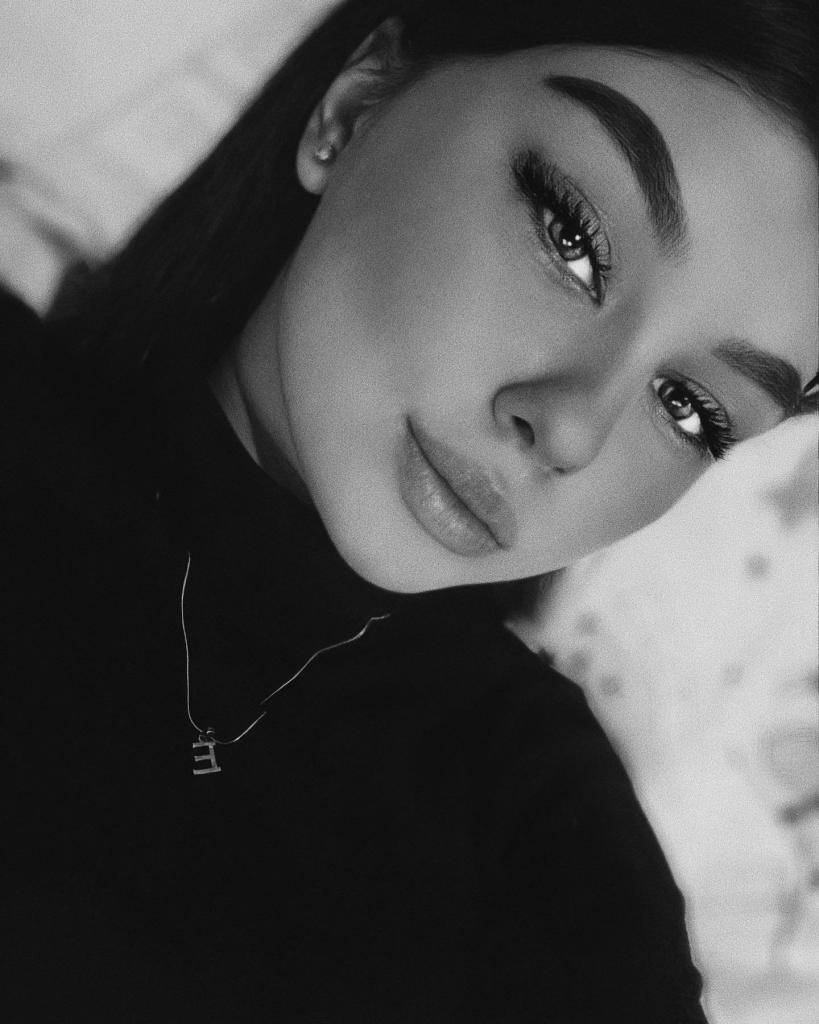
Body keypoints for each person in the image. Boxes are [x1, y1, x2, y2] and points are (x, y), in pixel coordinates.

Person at [2, 0, 816, 1020]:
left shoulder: (547, 859)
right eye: (573, 241)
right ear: (358, 101)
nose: (572, 430)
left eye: (692, 408)